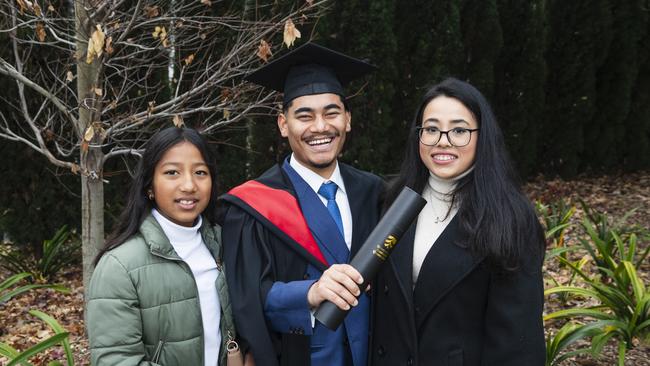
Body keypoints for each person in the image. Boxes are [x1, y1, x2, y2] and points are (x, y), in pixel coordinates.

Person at [219, 43, 383, 366]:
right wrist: (309, 293)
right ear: (283, 125)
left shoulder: (373, 192)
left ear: (347, 120)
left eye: (331, 112)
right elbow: (249, 301)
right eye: (304, 116)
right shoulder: (252, 206)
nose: (320, 127)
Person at [370, 78, 546, 366]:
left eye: (459, 130)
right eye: (431, 129)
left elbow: (518, 343)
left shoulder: (510, 219)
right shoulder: (392, 203)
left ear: (482, 136)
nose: (443, 141)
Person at [86, 127, 243, 366]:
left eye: (200, 172)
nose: (189, 185)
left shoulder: (227, 244)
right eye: (172, 173)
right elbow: (116, 360)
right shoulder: (119, 266)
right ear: (150, 186)